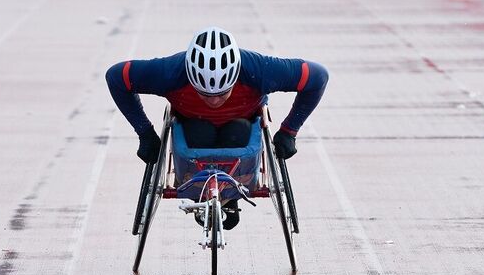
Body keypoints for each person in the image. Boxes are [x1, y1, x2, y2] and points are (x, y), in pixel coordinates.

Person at [106, 26, 328, 229]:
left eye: (223, 93)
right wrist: (145, 132)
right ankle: (200, 192)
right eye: (204, 94)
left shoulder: (260, 70)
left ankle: (230, 196)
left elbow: (318, 76)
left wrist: (290, 130)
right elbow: (116, 77)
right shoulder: (169, 72)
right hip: (193, 126)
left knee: (238, 131)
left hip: (241, 126)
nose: (214, 101)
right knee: (198, 132)